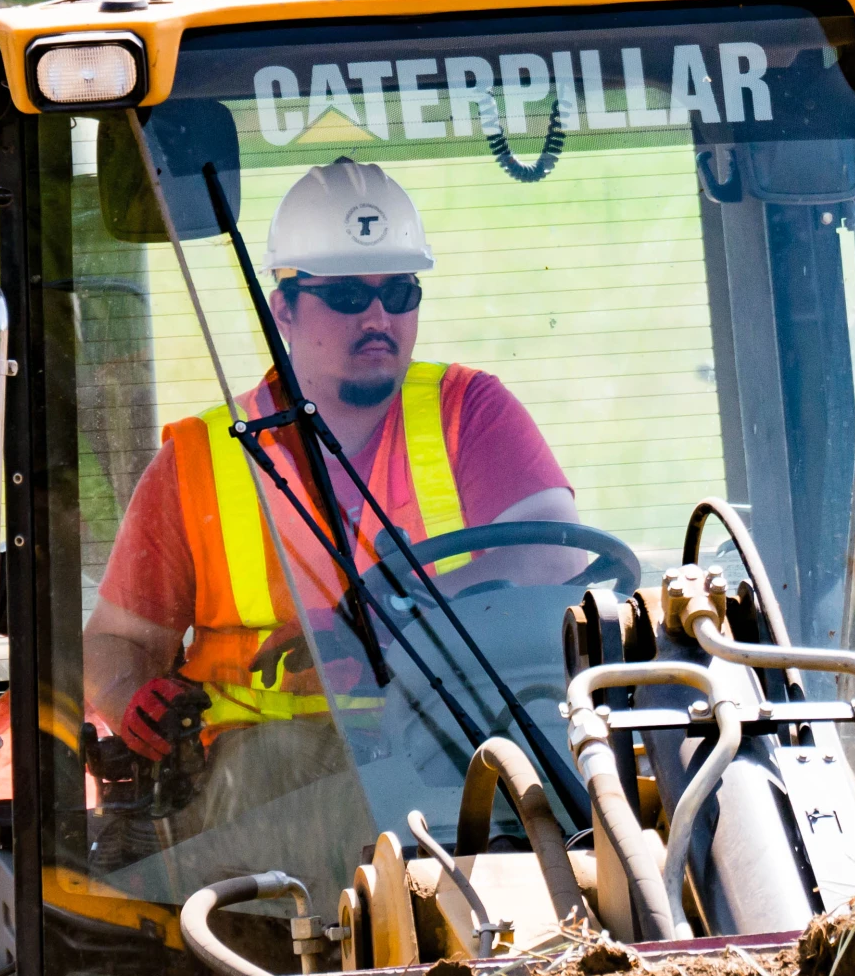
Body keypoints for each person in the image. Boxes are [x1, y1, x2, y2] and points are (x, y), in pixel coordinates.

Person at [82, 157, 582, 829]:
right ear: (283, 306)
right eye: (348, 296)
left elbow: (552, 556)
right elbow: (116, 639)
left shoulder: (472, 410)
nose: (378, 315)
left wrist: (376, 620)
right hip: (259, 781)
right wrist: (130, 698)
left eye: (400, 292)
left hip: (458, 734)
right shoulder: (197, 460)